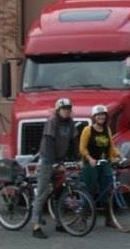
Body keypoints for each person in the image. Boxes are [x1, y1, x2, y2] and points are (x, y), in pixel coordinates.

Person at [31, 98, 79, 239]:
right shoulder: (52, 122)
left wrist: (77, 159)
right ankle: (35, 226)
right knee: (42, 193)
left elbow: (74, 141)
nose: (67, 111)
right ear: (58, 110)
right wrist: (54, 163)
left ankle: (60, 223)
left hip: (59, 160)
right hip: (47, 160)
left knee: (59, 193)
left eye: (69, 109)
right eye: (64, 109)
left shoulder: (71, 123)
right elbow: (49, 143)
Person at [79, 105, 122, 227]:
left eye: (103, 115)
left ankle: (109, 219)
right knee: (90, 190)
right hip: (91, 164)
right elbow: (82, 148)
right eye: (98, 115)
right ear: (94, 117)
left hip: (104, 163)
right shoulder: (88, 130)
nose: (101, 117)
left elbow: (111, 147)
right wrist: (89, 158)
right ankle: (83, 217)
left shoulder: (107, 130)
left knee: (107, 190)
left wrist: (118, 155)